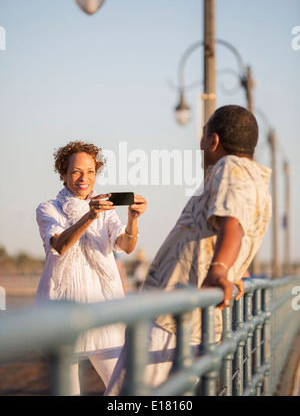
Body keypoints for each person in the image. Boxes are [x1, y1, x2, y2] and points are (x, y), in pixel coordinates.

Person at [105, 105, 272, 395]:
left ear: (213, 141)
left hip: (170, 317)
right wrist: (237, 269)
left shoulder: (228, 167)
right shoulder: (258, 183)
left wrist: (220, 270)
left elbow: (233, 222)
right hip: (193, 322)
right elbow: (236, 227)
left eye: (203, 134)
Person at [34, 140, 147, 395]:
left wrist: (132, 220)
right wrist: (90, 215)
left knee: (125, 389)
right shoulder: (48, 209)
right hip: (64, 311)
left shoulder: (106, 211)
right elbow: (59, 245)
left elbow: (126, 246)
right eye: (76, 171)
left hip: (103, 310)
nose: (84, 178)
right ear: (63, 174)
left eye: (90, 172)